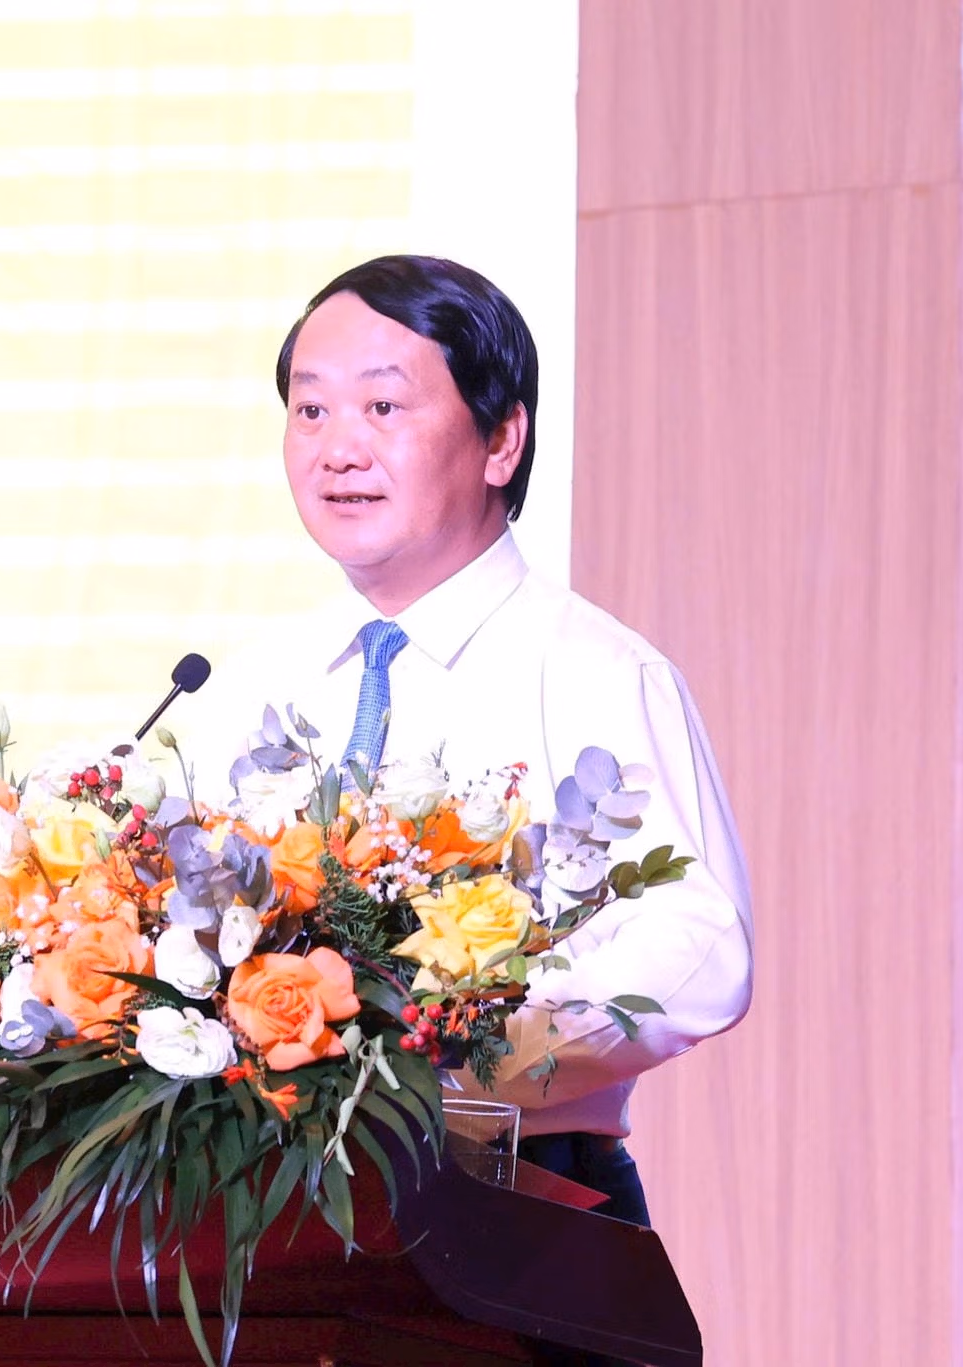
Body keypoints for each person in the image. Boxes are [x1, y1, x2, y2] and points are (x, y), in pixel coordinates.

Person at [184, 255, 753, 1228]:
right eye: (311, 410)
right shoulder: (249, 686)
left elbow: (702, 949)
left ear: (500, 439)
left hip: (519, 1201)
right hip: (269, 1207)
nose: (337, 449)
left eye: (382, 407)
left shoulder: (597, 673)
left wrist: (462, 1042)